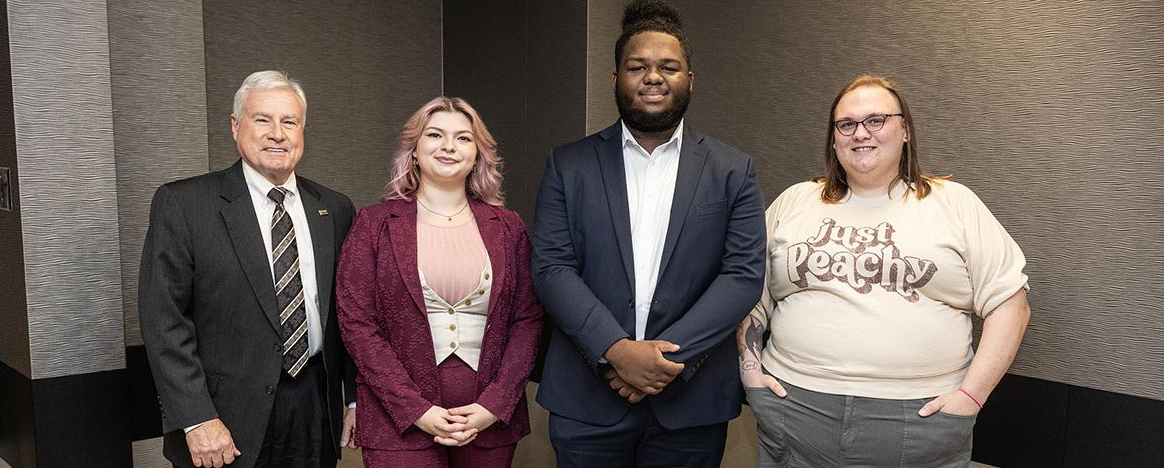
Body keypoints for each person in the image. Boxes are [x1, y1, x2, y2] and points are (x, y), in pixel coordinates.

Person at [738, 74, 1032, 467]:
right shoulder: (795, 200)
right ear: (834, 137)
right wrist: (750, 373)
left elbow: (1011, 305)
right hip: (794, 409)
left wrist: (970, 398)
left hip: (919, 421)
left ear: (905, 129)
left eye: (876, 120)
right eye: (847, 124)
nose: (861, 133)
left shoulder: (954, 203)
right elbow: (748, 294)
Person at [530, 1, 766, 466]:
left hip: (690, 402)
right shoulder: (568, 164)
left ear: (690, 80)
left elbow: (742, 275)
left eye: (668, 67)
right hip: (586, 399)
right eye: (637, 66)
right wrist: (616, 351)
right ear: (615, 78)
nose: (653, 77)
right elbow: (552, 268)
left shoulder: (733, 170)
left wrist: (660, 363)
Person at [139, 70, 358, 467]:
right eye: (263, 120)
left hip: (314, 406)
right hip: (223, 416)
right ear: (236, 128)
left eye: (289, 122)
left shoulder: (335, 208)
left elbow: (351, 314)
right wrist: (196, 417)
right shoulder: (185, 205)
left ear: (302, 131)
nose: (277, 133)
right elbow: (164, 321)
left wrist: (355, 397)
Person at [336, 96, 544, 468]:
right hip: (396, 423)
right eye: (435, 134)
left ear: (478, 154)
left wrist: (494, 405)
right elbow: (356, 324)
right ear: (414, 150)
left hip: (488, 425)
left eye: (463, 138)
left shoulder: (509, 227)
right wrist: (415, 409)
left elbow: (528, 320)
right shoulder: (373, 224)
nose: (449, 146)